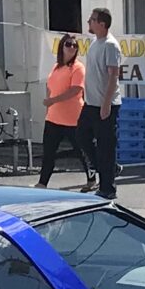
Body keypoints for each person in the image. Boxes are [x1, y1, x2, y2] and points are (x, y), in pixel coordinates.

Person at [36, 33, 96, 190]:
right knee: (48, 152)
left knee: (82, 151)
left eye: (75, 46)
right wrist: (50, 104)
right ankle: (42, 183)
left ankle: (92, 179)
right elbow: (51, 88)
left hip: (73, 118)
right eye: (68, 44)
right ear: (61, 46)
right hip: (54, 118)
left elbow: (75, 90)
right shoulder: (56, 67)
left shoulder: (78, 67)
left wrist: (53, 100)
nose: (71, 48)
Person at [81, 6, 124, 200]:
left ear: (102, 24)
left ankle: (107, 188)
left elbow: (113, 75)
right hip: (90, 102)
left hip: (105, 104)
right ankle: (109, 168)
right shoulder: (94, 43)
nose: (89, 22)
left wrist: (106, 104)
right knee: (81, 136)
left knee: (105, 146)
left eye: (92, 19)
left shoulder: (110, 45)